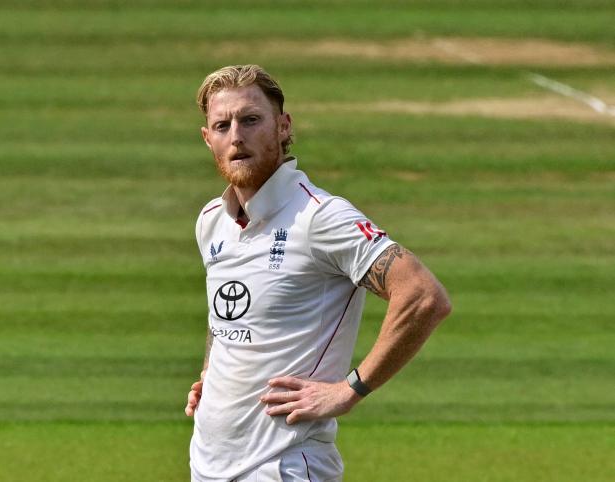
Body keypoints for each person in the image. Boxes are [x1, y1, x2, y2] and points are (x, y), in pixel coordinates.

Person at [184, 65, 452, 482]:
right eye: (222, 125)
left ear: (283, 126)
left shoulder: (320, 217)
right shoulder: (212, 220)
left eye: (251, 120)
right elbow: (227, 312)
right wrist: (211, 371)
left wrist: (349, 390)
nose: (236, 136)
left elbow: (423, 295)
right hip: (206, 464)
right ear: (208, 138)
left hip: (283, 465)